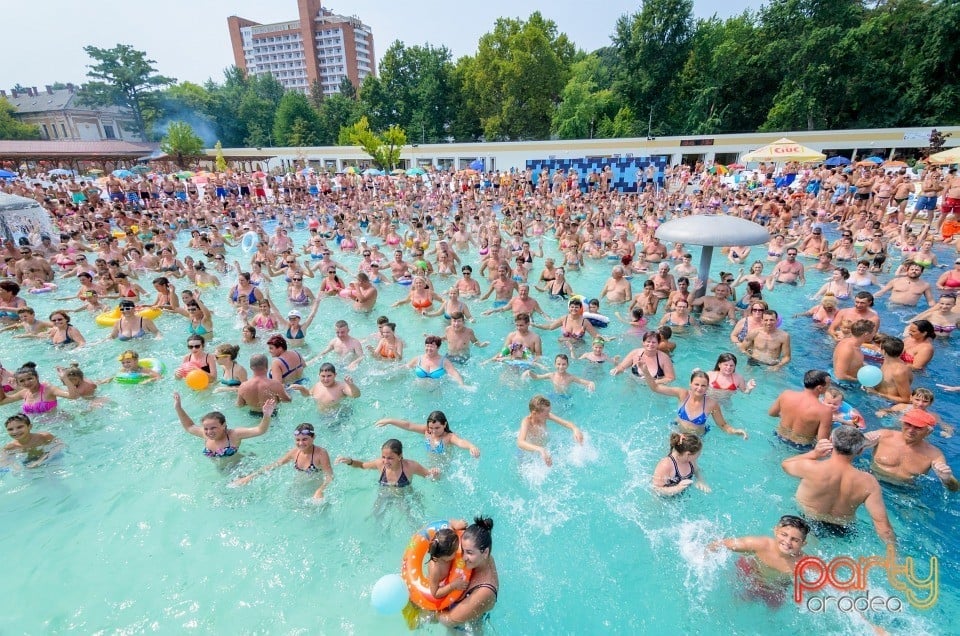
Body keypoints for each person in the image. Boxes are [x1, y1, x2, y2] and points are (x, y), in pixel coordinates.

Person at [781, 426, 896, 543]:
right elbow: (883, 527)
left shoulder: (812, 468)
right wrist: (893, 554)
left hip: (806, 521)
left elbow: (786, 464)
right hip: (842, 530)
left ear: (830, 441)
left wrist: (814, 454)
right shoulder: (869, 482)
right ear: (861, 450)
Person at [707, 515, 811, 609]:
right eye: (784, 534)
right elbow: (721, 544)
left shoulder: (804, 563)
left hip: (775, 590)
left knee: (772, 615)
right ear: (775, 531)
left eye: (795, 540)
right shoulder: (760, 545)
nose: (787, 542)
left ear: (803, 543)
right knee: (734, 604)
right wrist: (704, 559)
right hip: (748, 577)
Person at [232, 423, 334, 499]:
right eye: (297, 440)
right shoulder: (295, 452)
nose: (301, 443)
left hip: (316, 485)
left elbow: (330, 477)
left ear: (313, 438)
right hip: (299, 484)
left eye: (305, 439)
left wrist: (320, 490)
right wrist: (249, 477)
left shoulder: (321, 454)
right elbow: (275, 465)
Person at [864, 410, 959, 491]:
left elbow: (954, 488)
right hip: (872, 481)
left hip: (906, 493)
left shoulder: (934, 454)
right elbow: (853, 444)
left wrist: (946, 479)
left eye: (918, 427)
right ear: (902, 423)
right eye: (908, 424)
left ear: (929, 431)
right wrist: (863, 442)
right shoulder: (883, 436)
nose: (911, 430)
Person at [640, 367, 747, 438]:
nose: (699, 388)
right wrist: (645, 371)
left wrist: (735, 431)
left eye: (703, 385)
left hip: (695, 439)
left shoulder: (711, 404)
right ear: (690, 384)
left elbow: (723, 425)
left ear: (707, 387)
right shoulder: (682, 394)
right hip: (677, 432)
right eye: (696, 384)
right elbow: (655, 387)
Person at [435, 517, 499, 630]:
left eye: (469, 553)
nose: (463, 557)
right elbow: (449, 524)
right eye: (463, 550)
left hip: (464, 630)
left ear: (485, 552)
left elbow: (449, 621)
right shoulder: (474, 546)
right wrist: (455, 524)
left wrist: (429, 604)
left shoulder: (485, 591)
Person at [173, 392, 275, 458]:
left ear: (223, 425)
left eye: (213, 428)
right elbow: (189, 426)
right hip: (221, 471)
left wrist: (266, 415)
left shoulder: (234, 434)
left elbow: (260, 430)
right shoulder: (206, 435)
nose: (209, 432)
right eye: (206, 429)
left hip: (240, 469)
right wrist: (178, 408)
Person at [768, 370, 833, 449]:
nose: (830, 387)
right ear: (819, 388)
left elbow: (772, 413)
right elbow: (822, 442)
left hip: (778, 437)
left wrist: (788, 415)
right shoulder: (825, 411)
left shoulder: (786, 394)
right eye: (828, 385)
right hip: (801, 447)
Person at [375, 410, 480, 457]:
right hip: (429, 464)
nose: (433, 431)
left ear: (445, 424)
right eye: (431, 427)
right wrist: (389, 421)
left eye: (437, 428)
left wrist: (471, 446)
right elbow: (408, 425)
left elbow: (460, 442)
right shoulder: (427, 431)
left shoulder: (449, 437)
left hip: (443, 467)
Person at [336, 438, 440, 485]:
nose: (385, 461)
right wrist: (350, 461)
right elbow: (362, 465)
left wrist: (435, 473)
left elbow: (429, 476)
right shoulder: (379, 464)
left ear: (400, 456)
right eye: (383, 457)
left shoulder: (410, 466)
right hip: (384, 493)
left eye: (390, 458)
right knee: (376, 517)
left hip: (404, 496)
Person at [516, 394, 583, 466]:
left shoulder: (545, 415)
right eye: (546, 413)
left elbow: (566, 423)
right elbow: (520, 443)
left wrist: (575, 428)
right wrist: (540, 449)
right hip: (526, 452)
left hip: (541, 449)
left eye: (549, 412)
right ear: (534, 413)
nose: (548, 415)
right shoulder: (526, 421)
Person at [610, 330, 676, 384]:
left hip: (653, 390)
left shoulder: (664, 358)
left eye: (654, 342)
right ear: (643, 343)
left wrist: (653, 382)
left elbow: (670, 378)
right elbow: (622, 367)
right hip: (633, 385)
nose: (650, 344)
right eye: (648, 341)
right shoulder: (635, 353)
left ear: (658, 344)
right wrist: (616, 370)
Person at [290, 362, 360, 410]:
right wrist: (301, 388)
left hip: (339, 417)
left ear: (335, 375)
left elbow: (356, 395)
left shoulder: (341, 387)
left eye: (329, 376)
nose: (326, 379)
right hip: (322, 416)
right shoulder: (317, 385)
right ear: (319, 375)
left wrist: (351, 385)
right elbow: (308, 394)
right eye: (323, 376)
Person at [523, 353, 595, 394]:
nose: (561, 367)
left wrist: (591, 383)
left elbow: (586, 382)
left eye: (564, 364)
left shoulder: (571, 377)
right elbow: (537, 377)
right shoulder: (551, 375)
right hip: (554, 395)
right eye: (558, 364)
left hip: (566, 397)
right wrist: (529, 372)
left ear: (567, 365)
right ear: (555, 364)